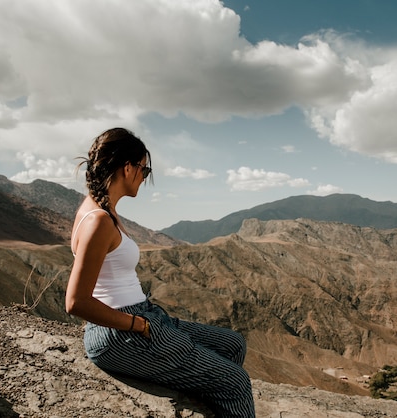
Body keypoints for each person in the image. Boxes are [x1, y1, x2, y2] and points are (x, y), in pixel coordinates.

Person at [65, 127, 255, 417]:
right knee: (236, 383)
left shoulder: (104, 210)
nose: (145, 176)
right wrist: (137, 325)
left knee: (232, 344)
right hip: (121, 331)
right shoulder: (98, 221)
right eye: (145, 168)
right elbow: (76, 302)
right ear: (128, 168)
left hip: (140, 314)